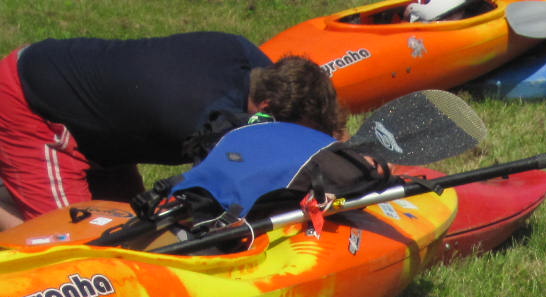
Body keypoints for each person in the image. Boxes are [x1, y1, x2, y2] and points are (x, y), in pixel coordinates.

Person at [0, 32, 345, 230]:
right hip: (33, 107)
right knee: (79, 245)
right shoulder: (201, 123)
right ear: (266, 108)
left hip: (98, 118)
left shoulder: (251, 61)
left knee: (132, 231)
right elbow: (206, 205)